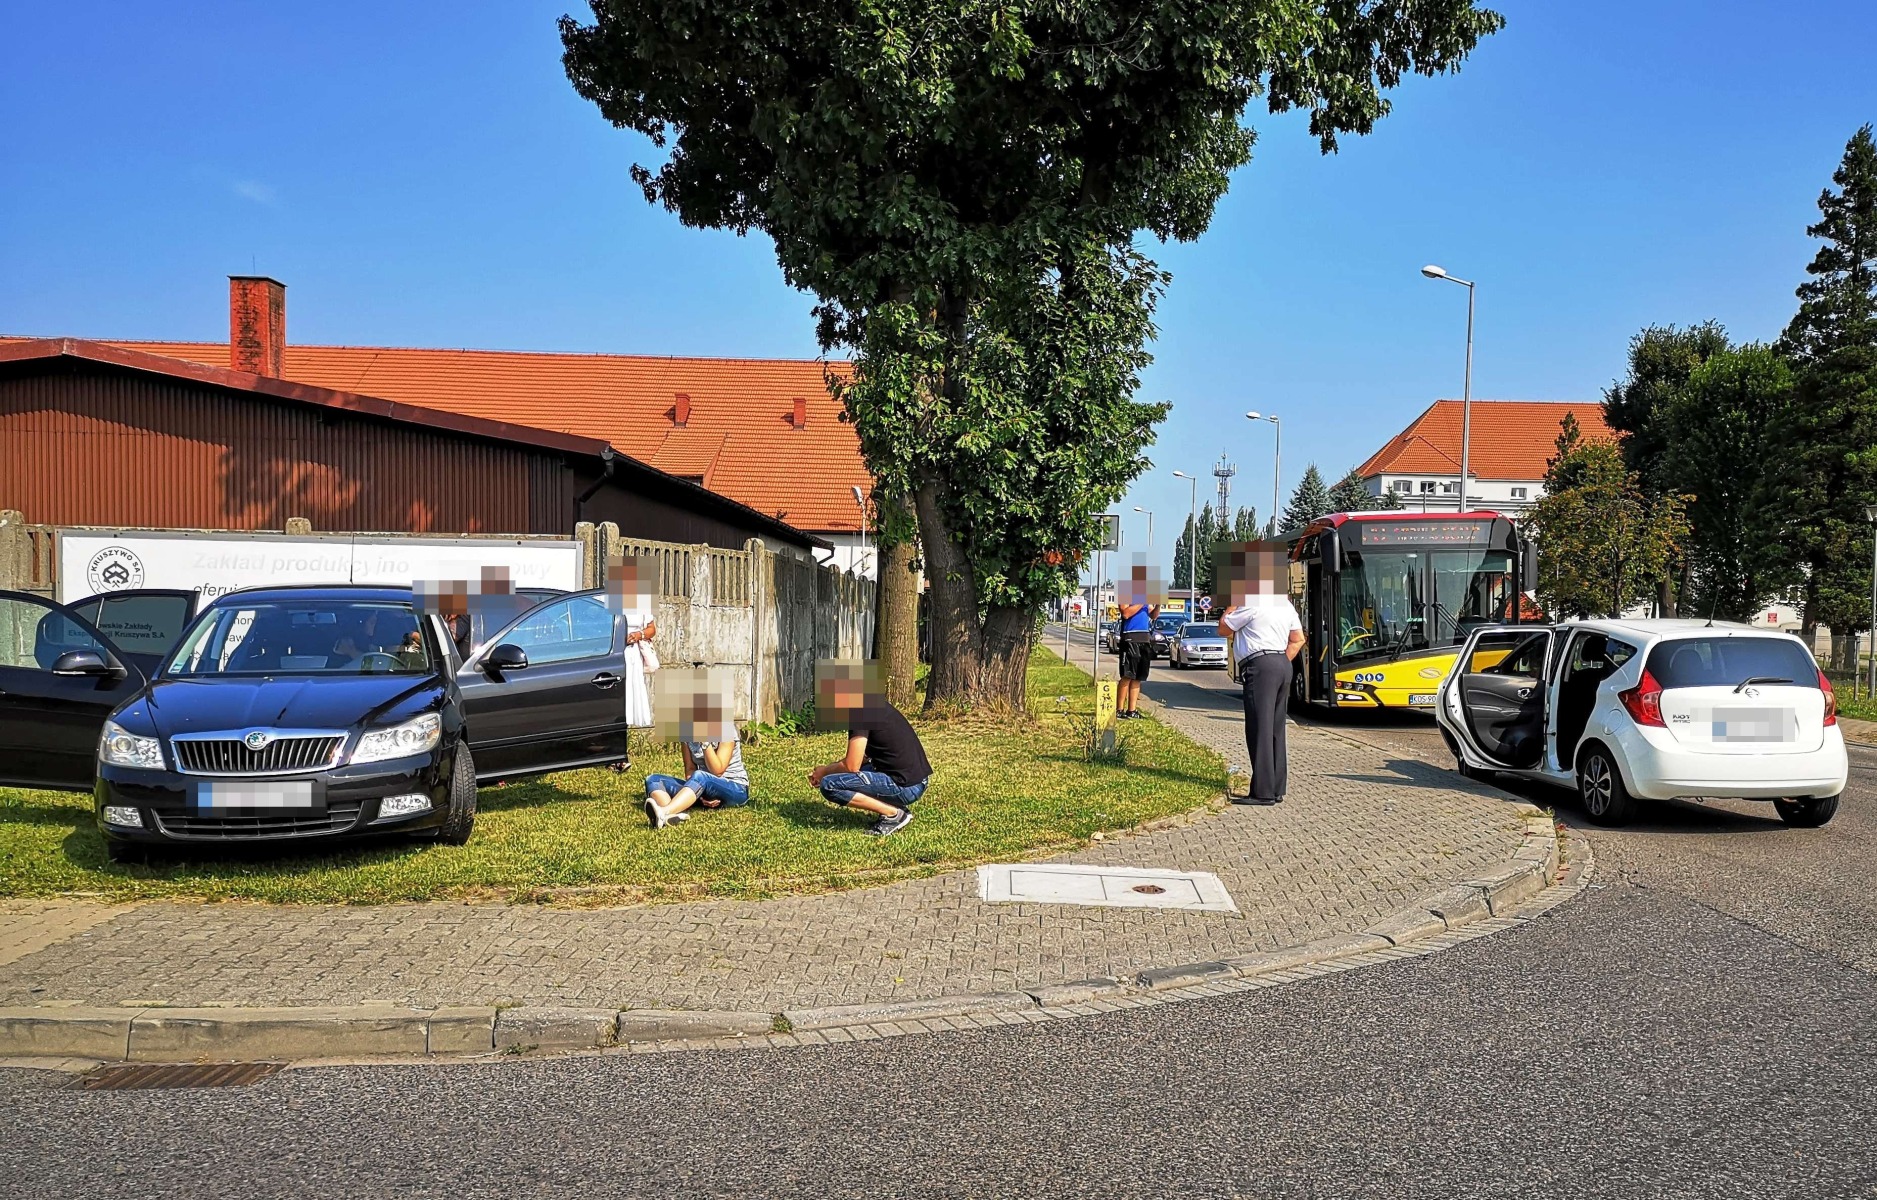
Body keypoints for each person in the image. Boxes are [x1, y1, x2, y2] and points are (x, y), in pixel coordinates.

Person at [1216, 542, 1306, 805]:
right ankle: (1277, 788)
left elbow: (1223, 628)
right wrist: (1279, 661)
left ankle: (1262, 792)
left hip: (1260, 667)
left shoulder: (1252, 602)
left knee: (1259, 727)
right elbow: (1299, 639)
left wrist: (1231, 606)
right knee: (1277, 728)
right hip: (1282, 665)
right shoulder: (1285, 604)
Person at [809, 660, 931, 837]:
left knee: (831, 785)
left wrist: (824, 772)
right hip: (916, 780)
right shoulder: (871, 704)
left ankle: (894, 815)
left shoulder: (860, 711)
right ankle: (894, 808)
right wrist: (833, 768)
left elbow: (852, 766)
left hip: (907, 786)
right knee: (840, 776)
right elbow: (862, 758)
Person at [643, 686, 750, 830]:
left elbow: (718, 770)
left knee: (701, 776)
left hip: (735, 788)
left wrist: (704, 742)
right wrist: (701, 796)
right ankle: (670, 814)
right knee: (654, 780)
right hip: (703, 786)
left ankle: (664, 812)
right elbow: (690, 769)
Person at [605, 554, 658, 771]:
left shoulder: (642, 600)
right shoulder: (610, 600)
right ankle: (612, 753)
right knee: (615, 703)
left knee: (627, 705)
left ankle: (620, 754)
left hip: (632, 656)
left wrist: (638, 636)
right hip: (614, 655)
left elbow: (652, 628)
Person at [1115, 561, 1158, 718]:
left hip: (1144, 638)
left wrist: (1158, 604)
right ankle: (1119, 709)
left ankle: (1131, 710)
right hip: (1130, 638)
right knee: (1127, 675)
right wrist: (1142, 601)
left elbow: (1152, 615)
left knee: (1139, 677)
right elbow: (1125, 613)